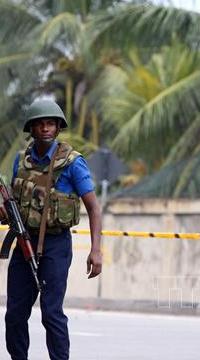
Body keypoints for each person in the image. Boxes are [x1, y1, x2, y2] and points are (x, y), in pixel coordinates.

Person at [1, 99, 102, 360]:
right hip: (24, 241)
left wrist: (96, 251)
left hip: (56, 245)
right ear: (31, 129)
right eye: (40, 124)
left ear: (58, 128)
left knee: (51, 312)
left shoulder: (72, 163)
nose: (45, 128)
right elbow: (14, 199)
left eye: (50, 124)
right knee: (14, 314)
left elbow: (93, 208)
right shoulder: (20, 161)